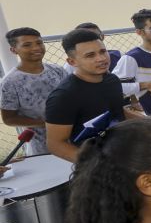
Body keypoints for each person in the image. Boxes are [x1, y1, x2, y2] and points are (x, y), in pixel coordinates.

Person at [45, 29, 132, 162]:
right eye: (90, 55)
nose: (101, 58)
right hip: (97, 168)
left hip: (124, 153)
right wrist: (95, 165)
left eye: (103, 51)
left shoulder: (112, 80)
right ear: (72, 62)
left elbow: (119, 112)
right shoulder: (63, 96)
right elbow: (55, 144)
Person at [1, 27, 67, 155]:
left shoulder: (57, 70)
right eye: (27, 45)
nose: (36, 48)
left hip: (71, 135)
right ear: (14, 50)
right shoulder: (10, 82)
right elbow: (9, 119)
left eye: (39, 43)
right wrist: (45, 124)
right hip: (41, 145)